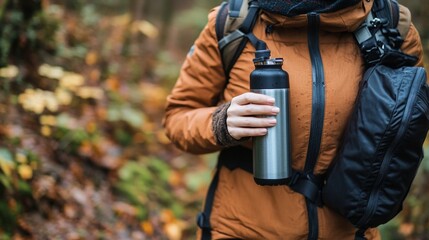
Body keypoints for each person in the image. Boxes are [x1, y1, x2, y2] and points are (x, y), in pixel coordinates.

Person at [163, 0, 425, 239]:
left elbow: (409, 125)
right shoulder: (233, 23)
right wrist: (220, 123)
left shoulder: (389, 24)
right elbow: (178, 117)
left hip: (349, 230)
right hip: (240, 229)